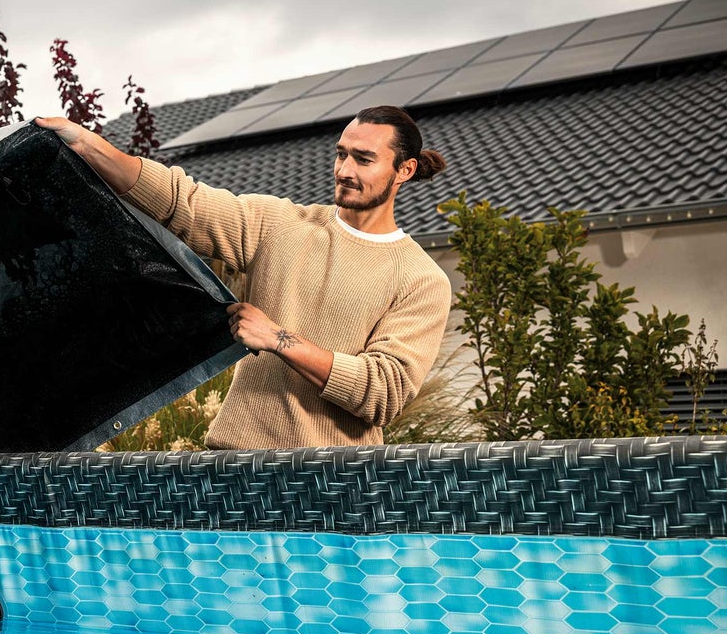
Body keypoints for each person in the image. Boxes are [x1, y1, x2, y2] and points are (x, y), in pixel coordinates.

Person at [35, 105, 452, 450]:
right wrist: (88, 144)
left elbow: (384, 392)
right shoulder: (281, 225)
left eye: (363, 159)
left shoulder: (420, 279)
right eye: (341, 154)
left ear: (405, 170)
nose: (344, 169)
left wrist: (278, 339)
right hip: (236, 467)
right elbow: (184, 202)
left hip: (335, 480)